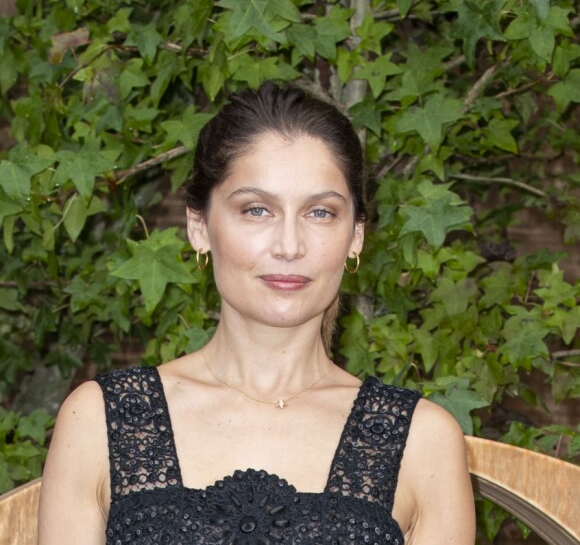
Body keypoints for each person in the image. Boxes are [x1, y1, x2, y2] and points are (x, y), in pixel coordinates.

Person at [38, 81, 475, 544]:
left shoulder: (420, 441)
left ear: (357, 236)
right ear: (199, 226)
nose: (289, 246)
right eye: (257, 210)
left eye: (321, 213)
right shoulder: (101, 421)